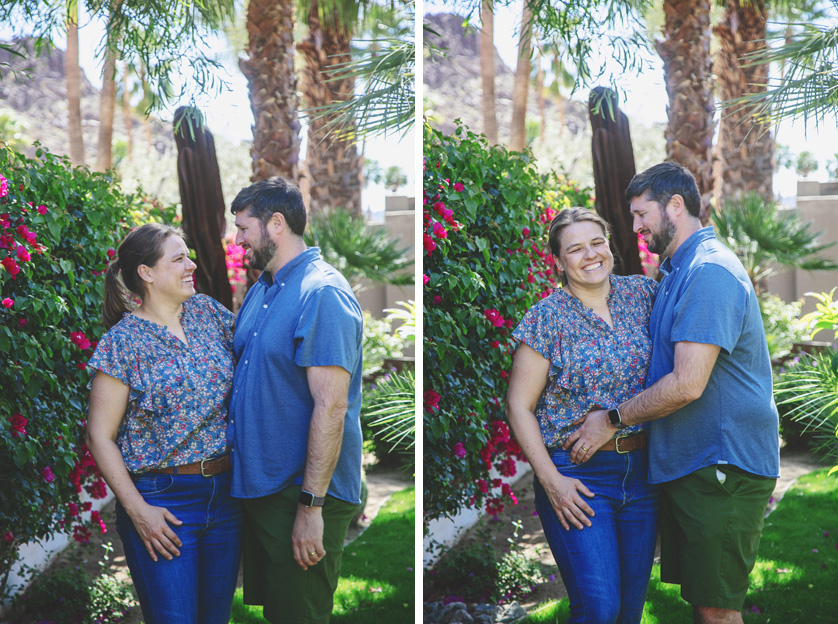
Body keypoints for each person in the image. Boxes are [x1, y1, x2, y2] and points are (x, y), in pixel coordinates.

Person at [567, 162, 780, 624]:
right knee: (704, 603)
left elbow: (687, 383)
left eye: (642, 213)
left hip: (721, 465)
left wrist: (611, 420)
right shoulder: (676, 271)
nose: (636, 226)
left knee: (718, 610)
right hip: (695, 464)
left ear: (676, 205)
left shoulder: (709, 271)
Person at [506, 207, 659, 624]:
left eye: (597, 242)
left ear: (609, 246)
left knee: (628, 613)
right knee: (598, 609)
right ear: (558, 261)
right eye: (575, 249)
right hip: (579, 476)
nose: (590, 255)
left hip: (643, 473)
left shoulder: (643, 295)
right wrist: (551, 481)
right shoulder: (546, 318)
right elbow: (519, 406)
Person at [86, 223, 242, 624]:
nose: (191, 264)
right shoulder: (123, 343)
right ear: (147, 273)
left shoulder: (208, 313)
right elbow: (100, 436)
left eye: (188, 255)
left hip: (225, 497)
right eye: (178, 258)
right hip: (162, 502)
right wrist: (138, 510)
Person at [226, 177, 364, 624]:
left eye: (244, 228)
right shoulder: (265, 289)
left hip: (299, 494)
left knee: (300, 616)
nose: (238, 239)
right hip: (265, 487)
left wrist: (310, 508)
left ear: (276, 224)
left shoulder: (321, 293)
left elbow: (332, 407)